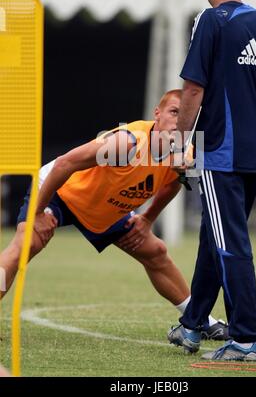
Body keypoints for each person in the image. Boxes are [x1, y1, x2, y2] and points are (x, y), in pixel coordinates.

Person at [0, 89, 227, 340]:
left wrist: (147, 219)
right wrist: (38, 212)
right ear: (157, 114)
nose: (178, 120)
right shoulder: (127, 143)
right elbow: (65, 163)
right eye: (174, 112)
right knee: (25, 244)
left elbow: (173, 183)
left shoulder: (188, 153)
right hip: (61, 191)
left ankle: (199, 319)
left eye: (186, 115)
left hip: (105, 206)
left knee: (155, 252)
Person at [167, 0, 256, 360]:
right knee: (214, 235)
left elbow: (193, 90)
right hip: (254, 154)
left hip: (221, 153)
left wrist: (177, 144)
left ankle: (245, 337)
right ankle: (192, 324)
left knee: (229, 240)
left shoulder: (210, 21)